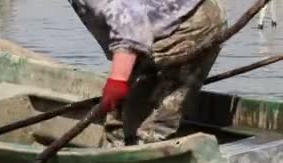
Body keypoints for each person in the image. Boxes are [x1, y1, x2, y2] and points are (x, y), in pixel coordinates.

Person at [67, 0, 227, 147]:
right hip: (157, 26)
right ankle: (115, 153)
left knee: (147, 122)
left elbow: (130, 19)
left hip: (188, 24)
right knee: (118, 111)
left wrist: (118, 81)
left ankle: (142, 160)